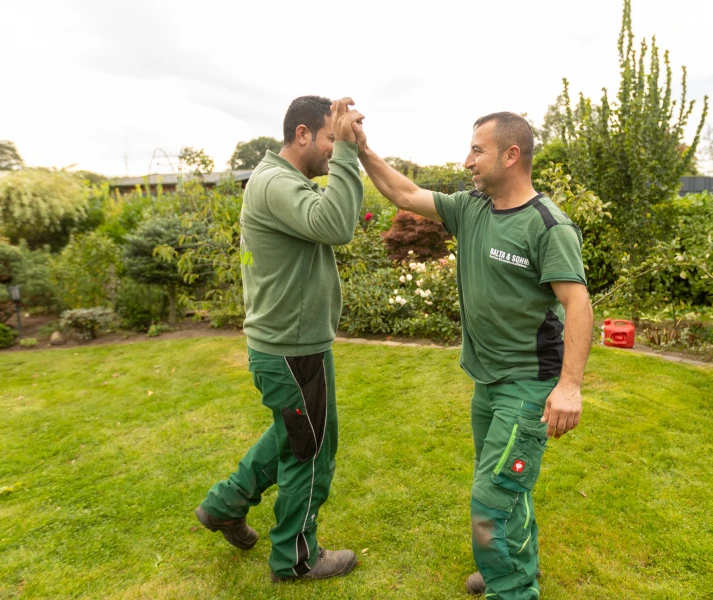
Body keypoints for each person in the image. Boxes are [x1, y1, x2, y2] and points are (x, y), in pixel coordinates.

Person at [354, 112, 594, 599]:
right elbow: (403, 194)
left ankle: (513, 589)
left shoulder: (548, 226)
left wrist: (569, 387)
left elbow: (578, 304)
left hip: (528, 383)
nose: (467, 161)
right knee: (508, 488)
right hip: (487, 382)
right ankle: (510, 563)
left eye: (477, 151)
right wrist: (361, 149)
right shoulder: (472, 208)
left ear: (511, 155)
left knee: (492, 499)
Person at [195, 95, 365, 583]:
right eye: (332, 138)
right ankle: (296, 558)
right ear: (304, 134)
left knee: (293, 436)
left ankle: (224, 505)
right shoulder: (276, 183)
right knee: (310, 451)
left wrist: (351, 148)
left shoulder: (277, 181)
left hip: (290, 345)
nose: (336, 148)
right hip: (293, 350)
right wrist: (350, 156)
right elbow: (336, 225)